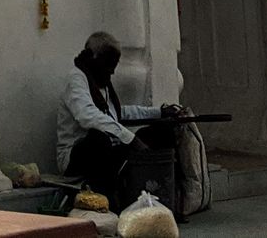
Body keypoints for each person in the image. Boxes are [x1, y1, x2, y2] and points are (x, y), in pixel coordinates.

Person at [55, 31, 181, 213]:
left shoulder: (101, 82)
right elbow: (87, 116)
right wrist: (130, 138)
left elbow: (118, 114)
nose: (113, 71)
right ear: (94, 58)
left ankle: (162, 199)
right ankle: (109, 202)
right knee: (99, 139)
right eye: (109, 65)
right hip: (76, 157)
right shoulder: (76, 79)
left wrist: (160, 112)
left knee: (161, 131)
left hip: (111, 149)